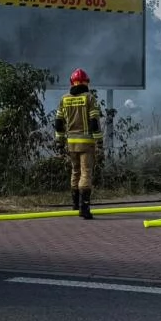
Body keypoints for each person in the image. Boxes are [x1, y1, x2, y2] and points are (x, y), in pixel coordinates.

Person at [54, 68, 104, 219]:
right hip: (86, 143)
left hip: (71, 143)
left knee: (75, 171)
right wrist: (99, 141)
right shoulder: (89, 98)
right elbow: (94, 122)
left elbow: (58, 123)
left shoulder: (64, 99)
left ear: (72, 83)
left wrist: (59, 141)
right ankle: (84, 208)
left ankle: (75, 204)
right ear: (86, 82)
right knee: (86, 172)